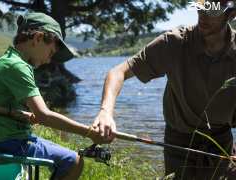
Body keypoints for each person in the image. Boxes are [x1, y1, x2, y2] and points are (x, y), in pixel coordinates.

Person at [92, 0, 236, 179]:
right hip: (179, 141)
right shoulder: (174, 42)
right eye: (200, 8)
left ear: (231, 15)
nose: (203, 15)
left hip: (222, 143)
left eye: (212, 12)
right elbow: (118, 72)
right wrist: (105, 112)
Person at [0, 12, 111, 180]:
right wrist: (89, 133)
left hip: (11, 139)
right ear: (37, 38)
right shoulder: (17, 66)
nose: (49, 61)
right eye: (50, 53)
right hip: (8, 143)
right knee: (74, 162)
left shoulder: (8, 61)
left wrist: (21, 114)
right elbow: (44, 116)